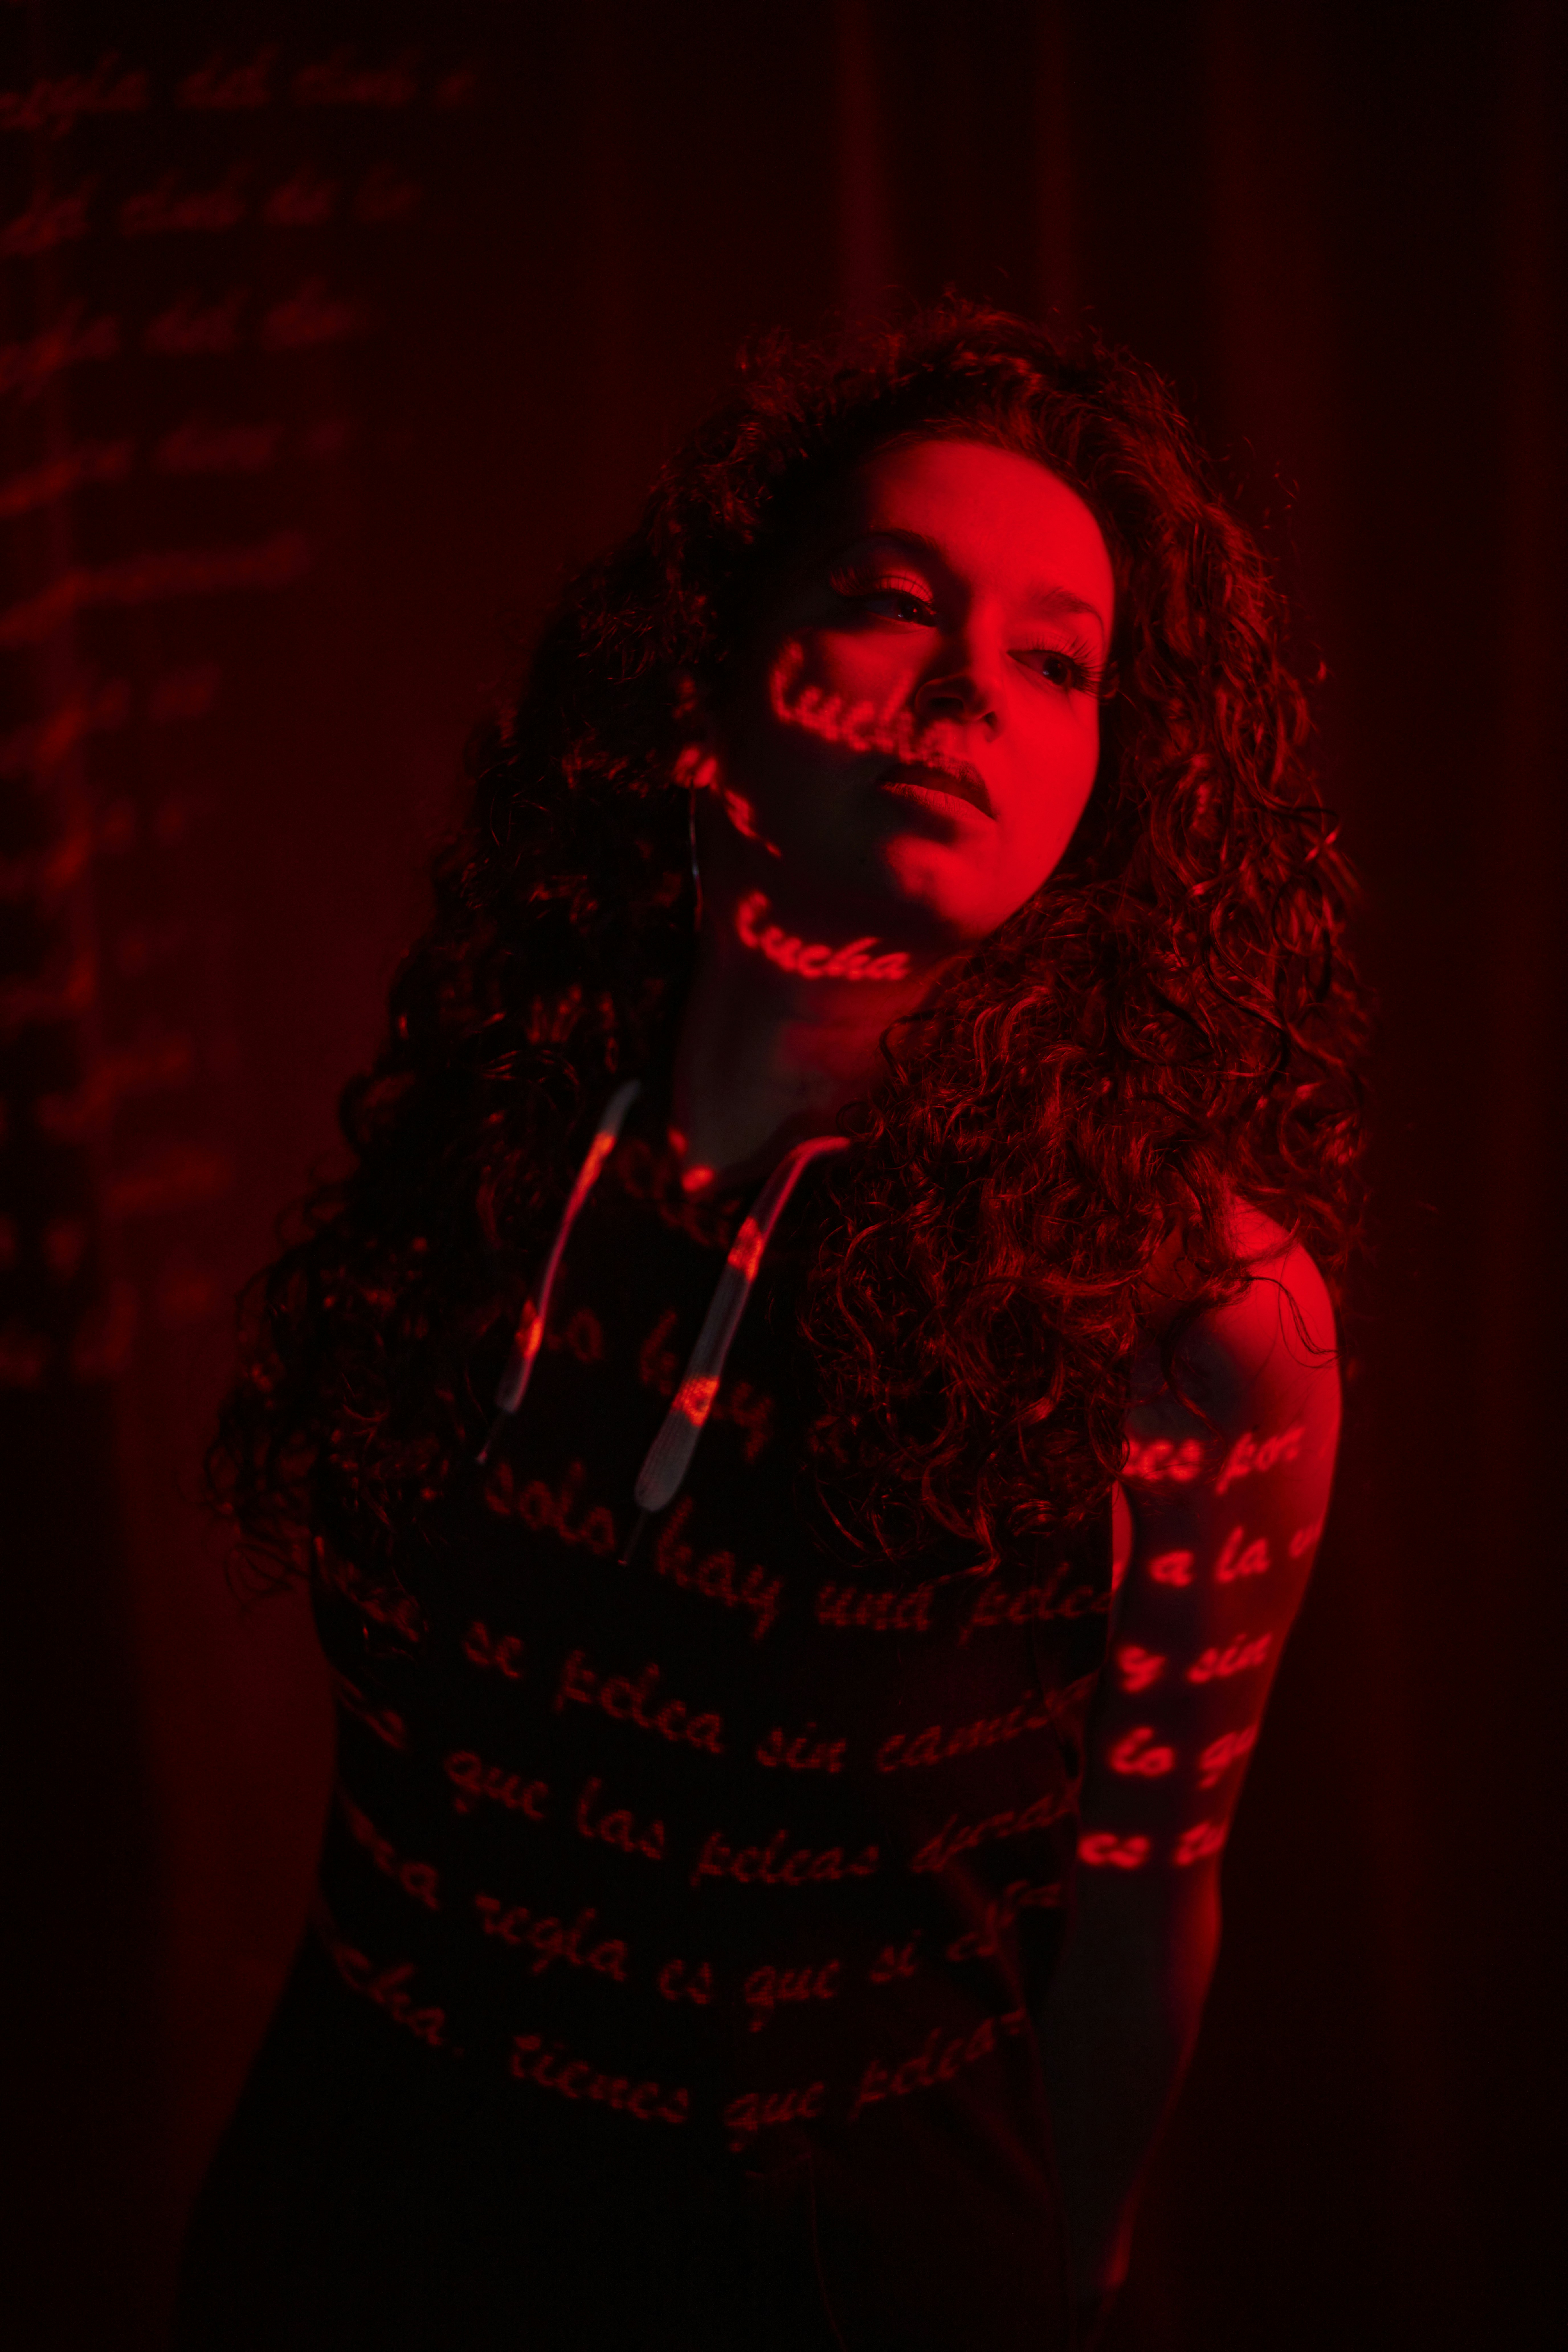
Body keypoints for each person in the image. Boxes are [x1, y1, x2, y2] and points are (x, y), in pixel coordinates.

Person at [178, 302, 1365, 2351]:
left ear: (1108, 776)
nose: (974, 690)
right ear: (701, 683)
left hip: (831, 2278)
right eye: (894, 604)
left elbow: (1147, 1900)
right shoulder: (499, 1126)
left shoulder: (1201, 1318)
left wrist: (1073, 2282)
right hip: (348, 2216)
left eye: (1060, 661)